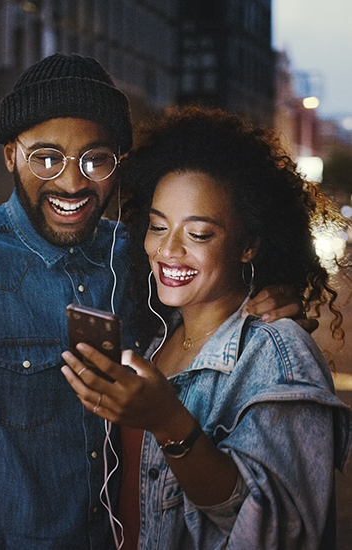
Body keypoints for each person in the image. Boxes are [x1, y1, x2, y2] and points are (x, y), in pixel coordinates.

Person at [0, 54, 304, 550]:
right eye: (47, 157)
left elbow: (211, 305)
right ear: (11, 154)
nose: (72, 183)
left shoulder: (142, 256)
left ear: (118, 162)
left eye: (96, 159)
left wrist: (269, 292)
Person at [61, 105, 352, 550]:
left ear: (248, 245)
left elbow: (279, 532)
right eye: (158, 226)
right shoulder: (157, 336)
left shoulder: (277, 351)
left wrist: (167, 420)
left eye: (198, 234)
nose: (168, 250)